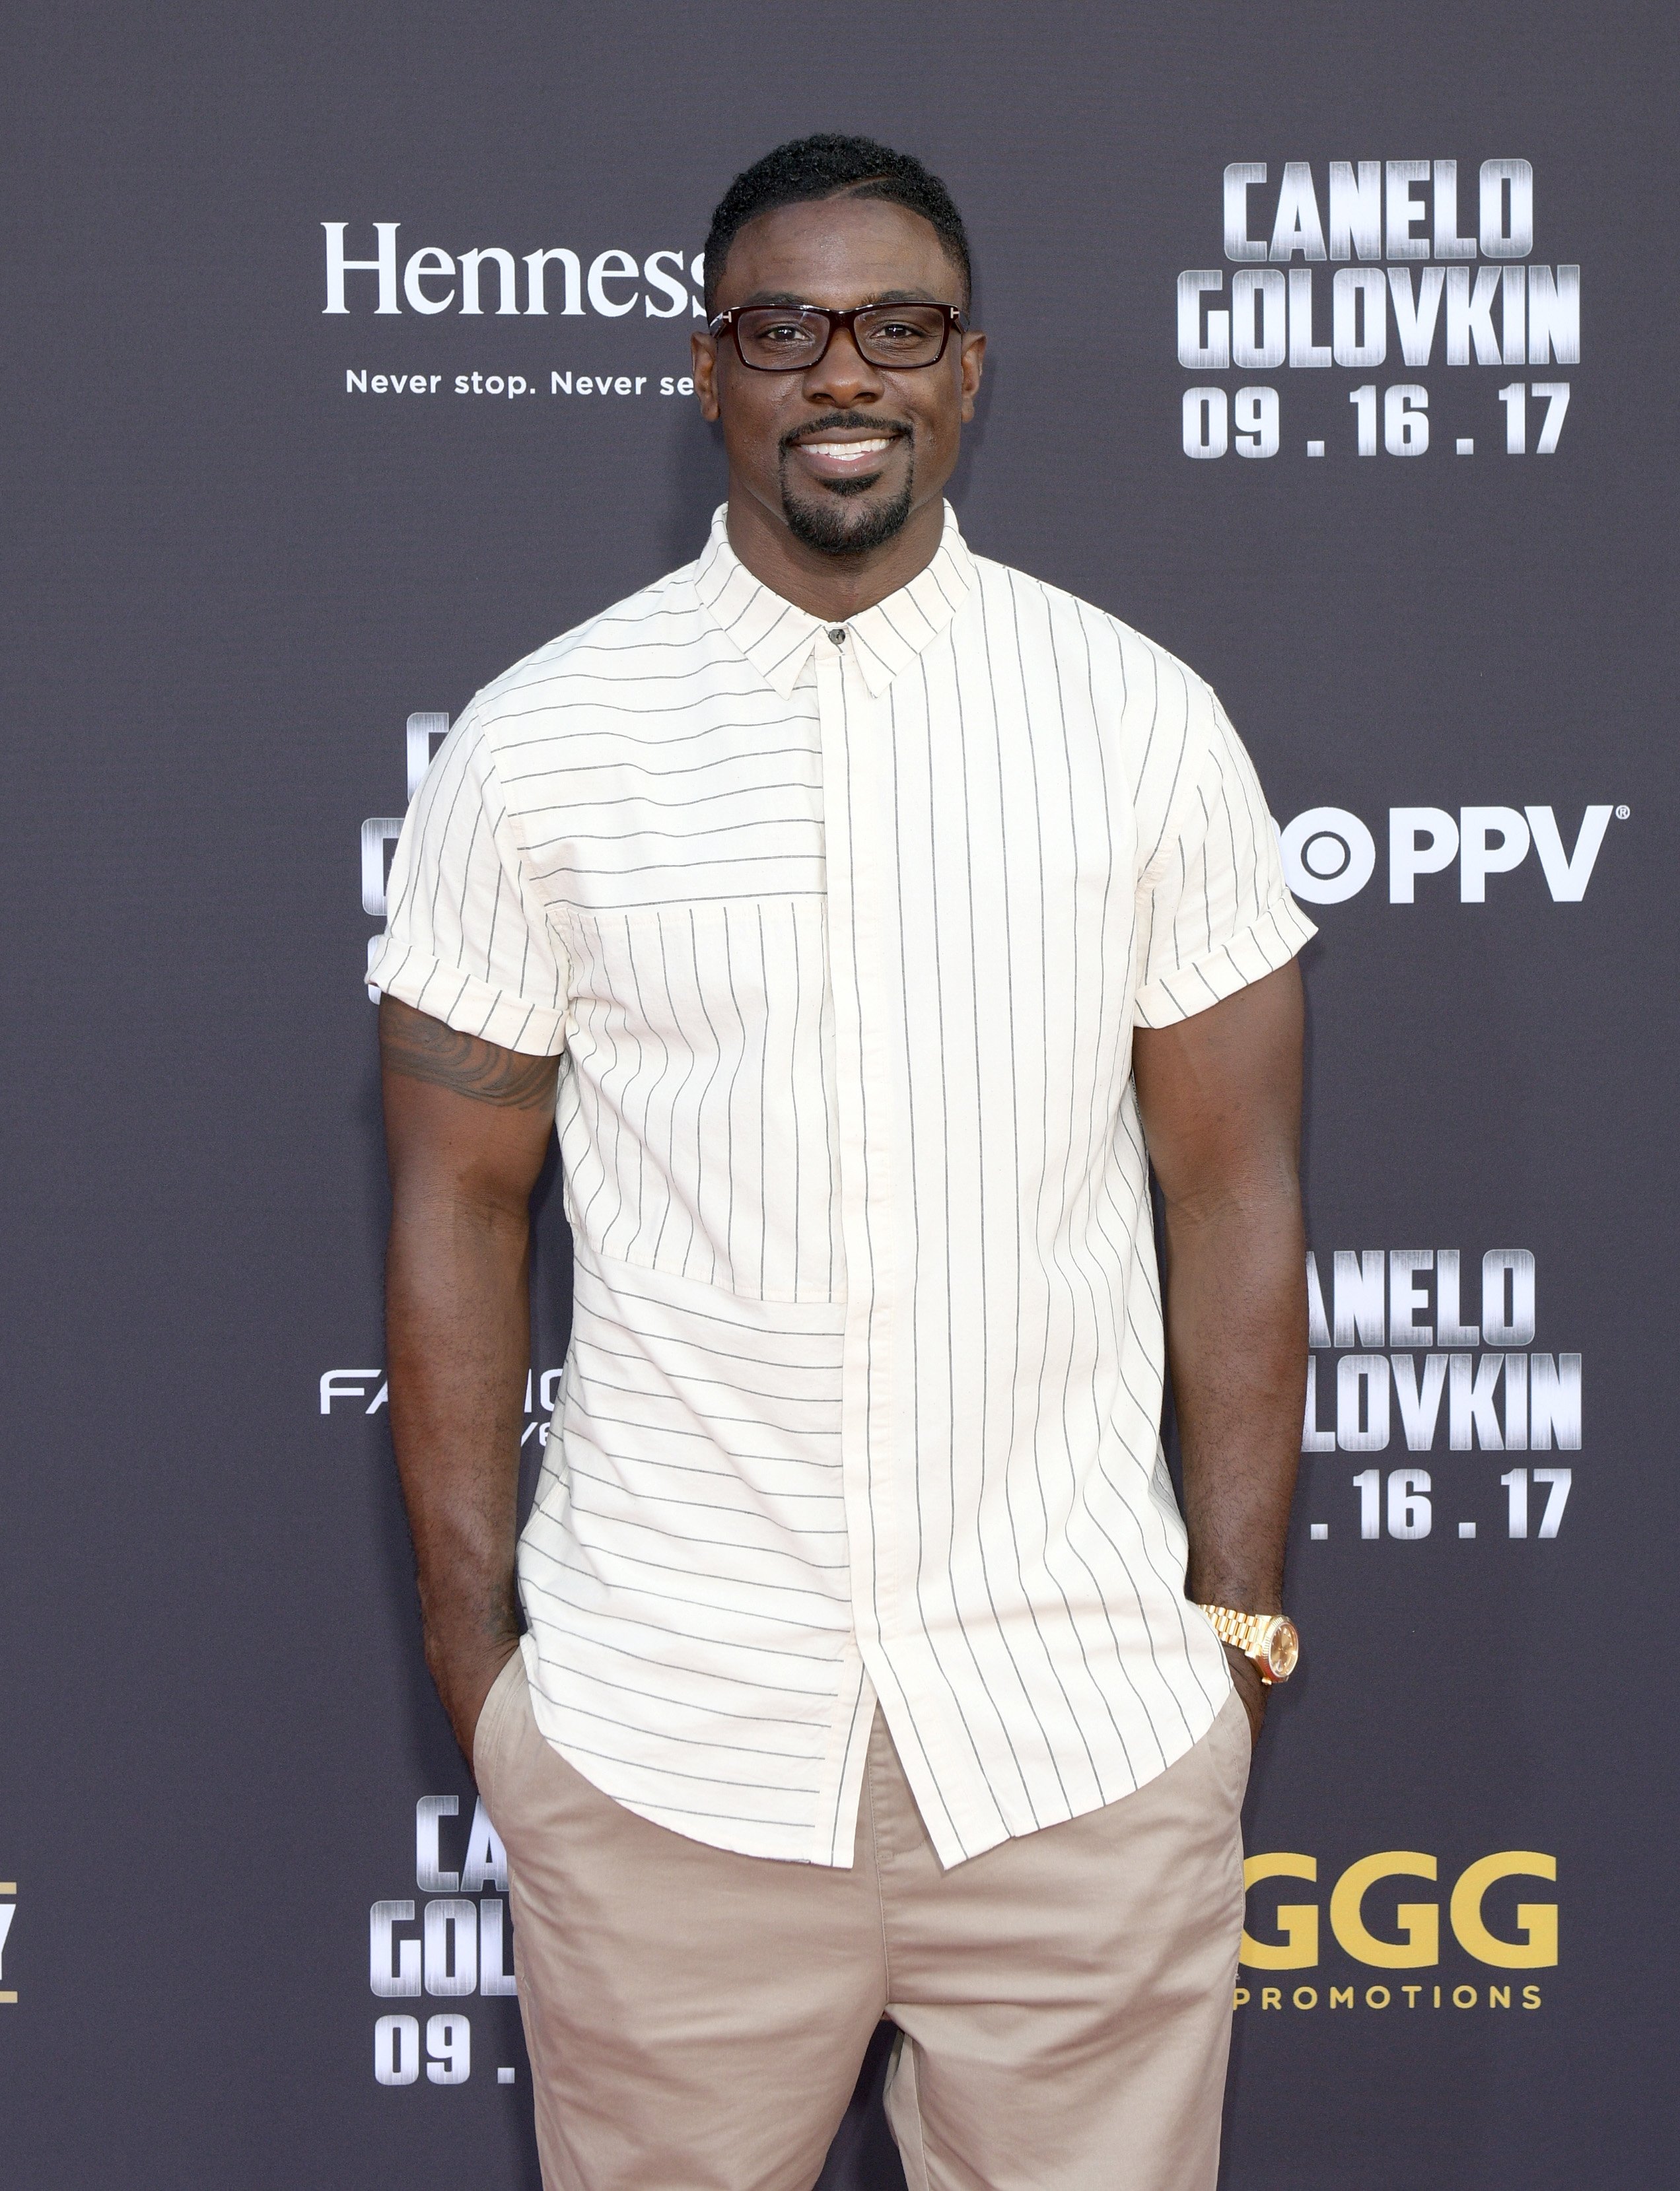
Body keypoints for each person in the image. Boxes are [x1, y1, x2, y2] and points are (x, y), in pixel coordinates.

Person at [371, 132, 1313, 2191]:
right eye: (781, 329)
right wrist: (489, 1683)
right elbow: (456, 1200)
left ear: (969, 368)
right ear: (709, 374)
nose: (843, 375)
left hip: (1078, 1737)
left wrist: (1229, 1637)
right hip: (666, 1749)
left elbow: (1233, 1192)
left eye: (897, 327)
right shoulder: (542, 746)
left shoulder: (1141, 724)